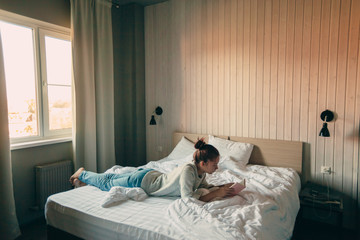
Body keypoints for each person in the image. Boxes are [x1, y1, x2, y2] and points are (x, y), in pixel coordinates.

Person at [69, 138, 236, 202]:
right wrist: (215, 194)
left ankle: (81, 182)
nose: (217, 167)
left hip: (150, 175)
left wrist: (221, 188)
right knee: (107, 183)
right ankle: (82, 173)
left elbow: (201, 187)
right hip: (142, 181)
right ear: (203, 163)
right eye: (214, 164)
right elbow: (188, 197)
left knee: (112, 177)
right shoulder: (188, 170)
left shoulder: (200, 173)